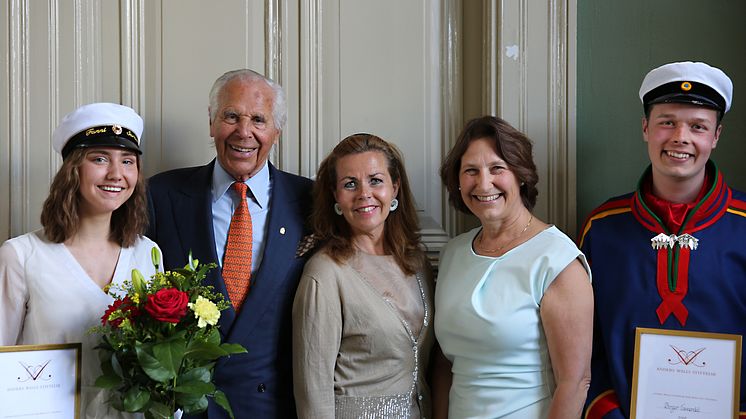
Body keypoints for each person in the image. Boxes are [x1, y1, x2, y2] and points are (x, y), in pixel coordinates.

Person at [581, 62, 746, 418]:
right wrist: (605, 411)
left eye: (698, 126)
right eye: (667, 122)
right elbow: (584, 344)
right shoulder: (603, 227)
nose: (680, 137)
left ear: (716, 136)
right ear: (645, 128)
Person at [146, 69, 313, 418]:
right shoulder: (161, 195)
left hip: (272, 407)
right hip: (185, 409)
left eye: (258, 119)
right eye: (231, 116)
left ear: (276, 131)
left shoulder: (311, 202)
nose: (243, 132)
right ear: (211, 121)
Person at [0, 103, 159, 418]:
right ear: (73, 168)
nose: (116, 174)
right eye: (99, 159)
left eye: (127, 161)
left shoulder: (147, 253)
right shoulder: (20, 256)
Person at [433, 115, 593, 418]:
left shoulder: (556, 259)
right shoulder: (453, 253)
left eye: (497, 168)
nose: (483, 183)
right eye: (470, 171)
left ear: (520, 174)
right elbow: (445, 363)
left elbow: (574, 383)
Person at [292, 133, 434, 418]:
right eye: (350, 184)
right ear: (335, 196)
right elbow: (313, 392)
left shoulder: (418, 263)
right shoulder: (324, 274)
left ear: (395, 188)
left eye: (375, 180)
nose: (364, 194)